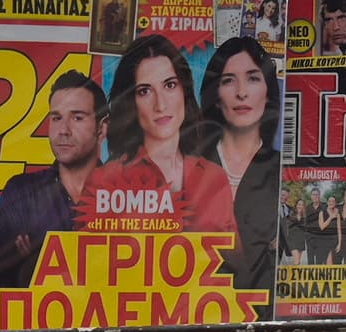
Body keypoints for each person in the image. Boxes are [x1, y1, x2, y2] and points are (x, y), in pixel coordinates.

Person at [82, 32, 236, 236]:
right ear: (131, 103)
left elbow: (234, 255)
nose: (161, 105)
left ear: (184, 91)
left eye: (170, 85)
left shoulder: (214, 178)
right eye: (145, 91)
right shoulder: (103, 182)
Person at [0, 72, 105, 296]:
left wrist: (38, 264)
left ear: (102, 128)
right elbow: (4, 287)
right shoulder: (21, 193)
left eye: (77, 118)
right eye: (56, 118)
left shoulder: (127, 194)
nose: (63, 130)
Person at [190, 36, 280, 290]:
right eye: (228, 80)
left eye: (253, 78)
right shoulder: (186, 168)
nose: (242, 92)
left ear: (268, 91)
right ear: (216, 95)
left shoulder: (284, 171)